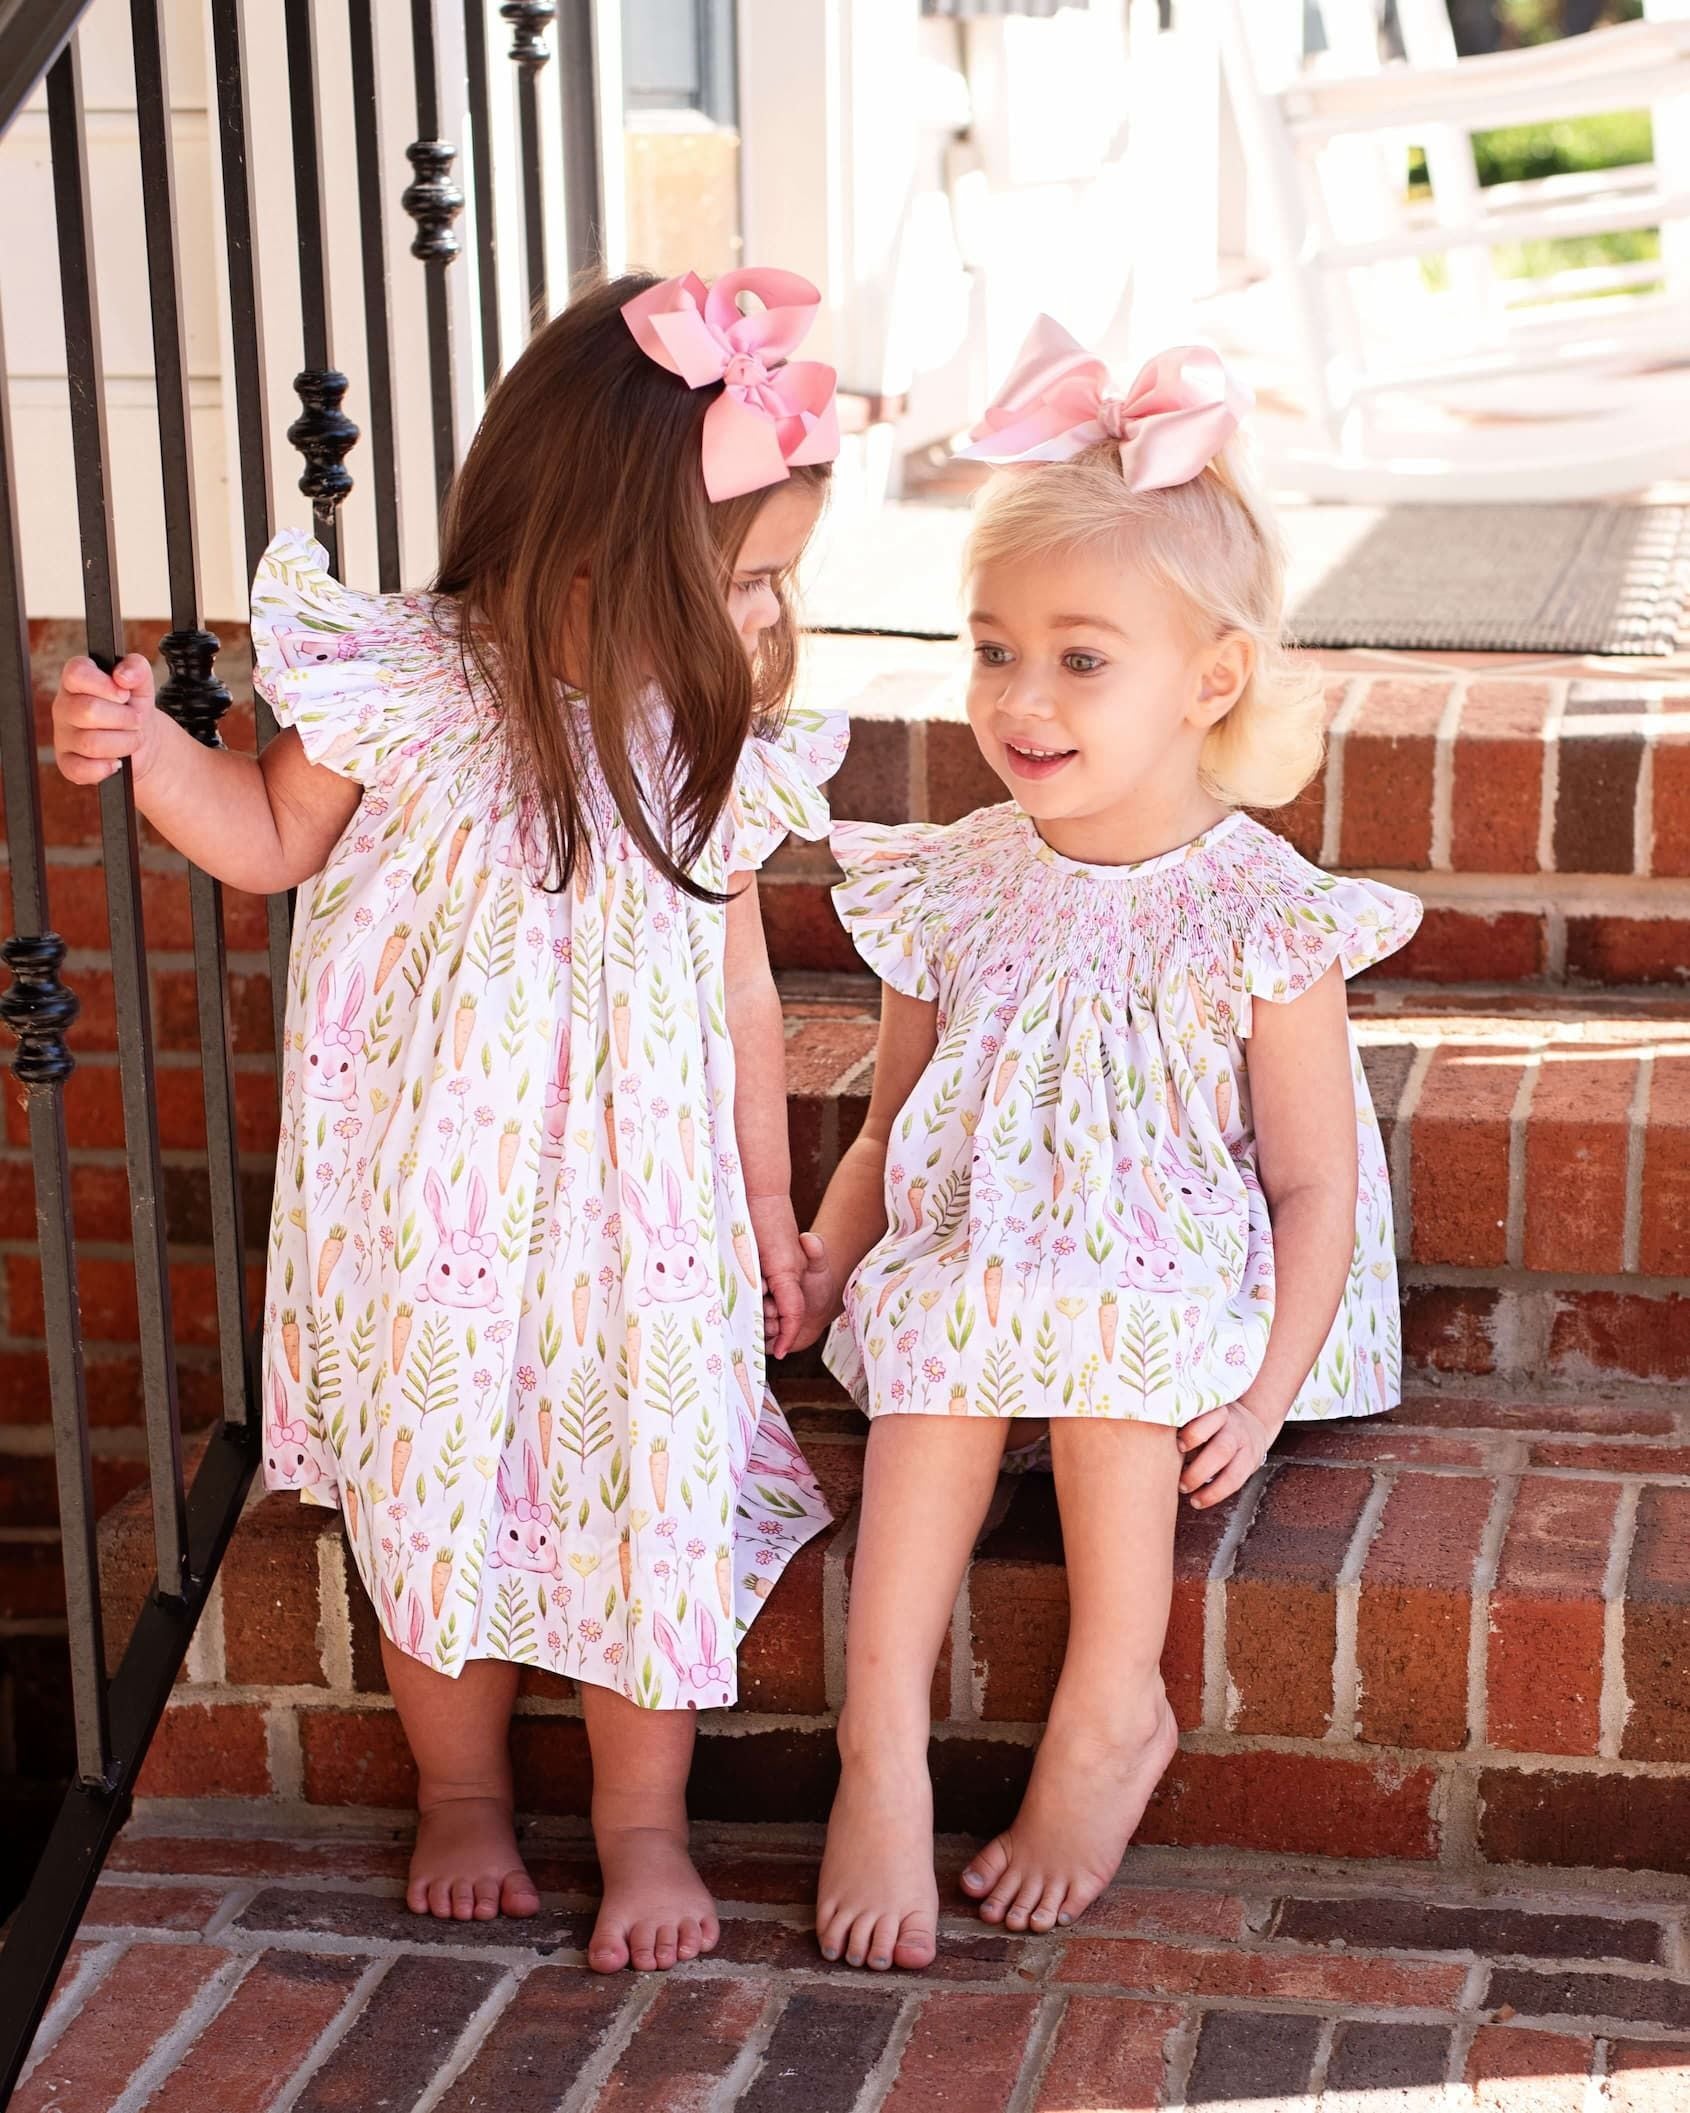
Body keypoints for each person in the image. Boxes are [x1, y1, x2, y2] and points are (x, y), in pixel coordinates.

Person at [49, 268, 846, 1974]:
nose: (767, 620)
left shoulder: (700, 732)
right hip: (429, 1210)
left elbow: (740, 1001)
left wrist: (770, 1213)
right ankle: (461, 1787)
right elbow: (267, 836)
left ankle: (643, 1821)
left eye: (776, 581)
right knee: (435, 1485)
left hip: (645, 1221)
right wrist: (142, 750)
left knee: (643, 1496)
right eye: (747, 576)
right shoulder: (400, 680)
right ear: (595, 549)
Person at [791, 322, 1422, 1973]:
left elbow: (1308, 1179)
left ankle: (1103, 1713)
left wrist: (1272, 1380)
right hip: (982, 1240)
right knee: (933, 1358)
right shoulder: (961, 875)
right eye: (992, 648)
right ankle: (879, 1754)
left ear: (1208, 677)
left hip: (1182, 1266)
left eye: (1082, 659)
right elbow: (893, 1117)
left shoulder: (1254, 911)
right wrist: (829, 1250)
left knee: (1101, 1364)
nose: (1020, 696)